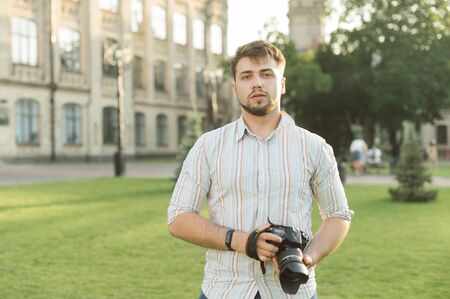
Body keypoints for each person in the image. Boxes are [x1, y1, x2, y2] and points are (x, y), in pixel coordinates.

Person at [168, 40, 353, 299]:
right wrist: (241, 241)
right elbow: (178, 217)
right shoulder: (208, 146)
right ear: (235, 88)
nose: (257, 83)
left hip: (292, 292)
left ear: (282, 84)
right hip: (224, 290)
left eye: (266, 74)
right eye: (247, 76)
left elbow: (338, 215)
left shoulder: (314, 147)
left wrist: (307, 258)